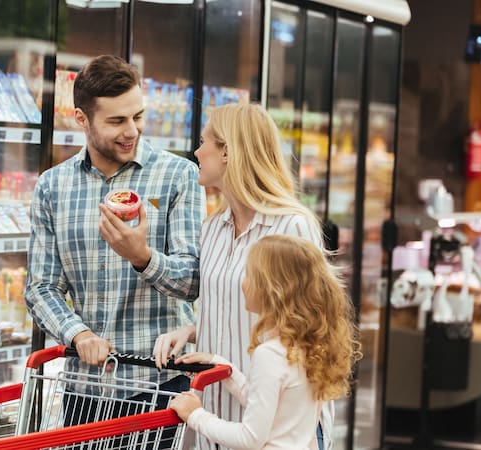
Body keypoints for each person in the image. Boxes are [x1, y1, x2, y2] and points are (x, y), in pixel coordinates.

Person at [25, 55, 205, 426]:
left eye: (137, 116)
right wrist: (79, 334)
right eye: (116, 121)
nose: (132, 131)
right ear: (81, 119)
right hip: (83, 391)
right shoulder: (52, 186)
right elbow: (41, 287)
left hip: (160, 388)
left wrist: (142, 257)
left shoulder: (179, 176)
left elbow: (194, 280)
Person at [152, 102, 328, 450]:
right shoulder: (213, 228)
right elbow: (235, 309)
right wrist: (192, 330)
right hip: (217, 410)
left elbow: (310, 323)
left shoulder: (292, 225)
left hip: (275, 424)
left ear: (228, 152)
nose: (197, 151)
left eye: (204, 142)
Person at [168, 234, 361, 449]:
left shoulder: (271, 354)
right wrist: (225, 367)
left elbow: (250, 438)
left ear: (273, 289)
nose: (243, 283)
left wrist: (195, 415)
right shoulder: (306, 346)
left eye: (250, 274)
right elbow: (272, 409)